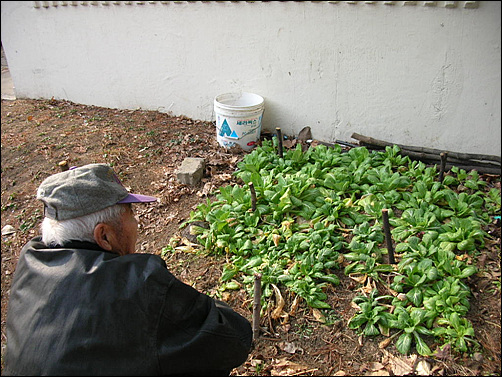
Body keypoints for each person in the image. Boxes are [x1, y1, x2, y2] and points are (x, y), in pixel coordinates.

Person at [3, 163, 252, 376]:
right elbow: (234, 338)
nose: (137, 223)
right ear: (104, 236)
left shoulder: (30, 259)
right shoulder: (139, 282)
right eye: (130, 214)